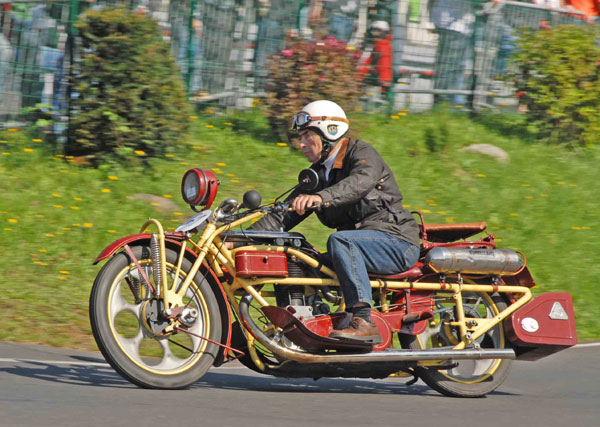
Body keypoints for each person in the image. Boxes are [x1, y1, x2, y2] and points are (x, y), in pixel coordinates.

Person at [249, 100, 421, 343]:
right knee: (297, 255)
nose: (301, 144)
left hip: (396, 241)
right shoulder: (318, 174)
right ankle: (302, 327)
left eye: (308, 136)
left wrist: (321, 197)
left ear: (329, 131)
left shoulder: (361, 154)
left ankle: (363, 321)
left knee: (341, 241)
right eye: (301, 137)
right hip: (361, 245)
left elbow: (359, 183)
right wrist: (238, 239)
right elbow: (283, 216)